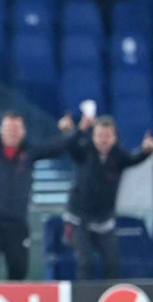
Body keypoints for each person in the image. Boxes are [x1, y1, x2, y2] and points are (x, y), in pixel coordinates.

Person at [0, 111, 75, 280]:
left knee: (19, 268)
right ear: (2, 130)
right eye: (9, 129)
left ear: (23, 131)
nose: (12, 133)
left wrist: (69, 132)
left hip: (17, 221)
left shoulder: (29, 151)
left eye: (16, 129)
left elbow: (56, 148)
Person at [64, 115, 153, 280]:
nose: (103, 140)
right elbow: (71, 146)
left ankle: (109, 295)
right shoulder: (84, 151)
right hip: (79, 219)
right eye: (100, 135)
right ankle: (83, 295)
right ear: (93, 136)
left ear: (115, 137)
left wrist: (146, 151)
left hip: (104, 220)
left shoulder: (118, 155)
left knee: (113, 262)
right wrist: (76, 130)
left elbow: (134, 159)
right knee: (86, 262)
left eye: (108, 135)